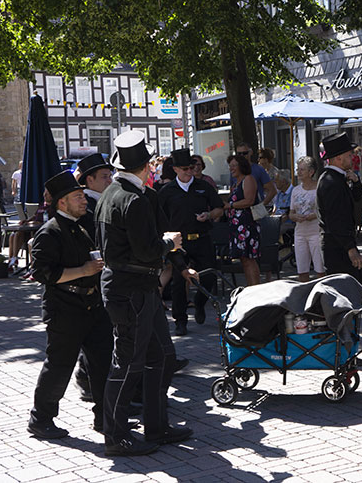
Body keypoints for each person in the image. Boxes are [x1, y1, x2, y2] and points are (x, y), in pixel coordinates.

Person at [95, 130, 193, 456]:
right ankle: (116, 435)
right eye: (150, 163)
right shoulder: (130, 199)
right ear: (147, 165)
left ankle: (156, 425)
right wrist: (170, 243)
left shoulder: (117, 193)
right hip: (132, 289)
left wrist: (174, 259)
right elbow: (147, 249)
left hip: (139, 288)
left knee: (160, 357)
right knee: (128, 364)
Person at [26, 171, 112, 439]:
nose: (84, 200)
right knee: (60, 365)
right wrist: (83, 270)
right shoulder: (49, 232)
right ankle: (41, 419)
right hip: (64, 308)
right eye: (77, 197)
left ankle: (106, 417)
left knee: (104, 363)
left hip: (93, 305)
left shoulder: (84, 223)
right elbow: (42, 273)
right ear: (62, 202)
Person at [158, 148, 224, 335]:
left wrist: (209, 214)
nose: (189, 171)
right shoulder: (167, 191)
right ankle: (180, 321)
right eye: (185, 168)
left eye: (192, 167)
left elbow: (219, 208)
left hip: (202, 238)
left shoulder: (203, 187)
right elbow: (159, 216)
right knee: (179, 281)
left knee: (209, 276)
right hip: (179, 243)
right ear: (176, 169)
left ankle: (200, 303)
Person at [317, 132, 362, 288]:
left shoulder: (337, 178)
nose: (352, 158)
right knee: (346, 294)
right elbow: (336, 219)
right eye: (349, 155)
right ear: (338, 158)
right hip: (337, 246)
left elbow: (355, 201)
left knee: (354, 290)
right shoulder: (331, 181)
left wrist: (357, 183)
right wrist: (350, 249)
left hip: (340, 243)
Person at [224, 154, 261, 287]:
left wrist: (230, 205)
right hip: (237, 226)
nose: (231, 168)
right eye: (230, 166)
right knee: (244, 259)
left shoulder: (248, 179)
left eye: (234, 165)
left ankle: (255, 288)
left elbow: (249, 200)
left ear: (241, 166)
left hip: (247, 225)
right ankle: (251, 288)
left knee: (249, 259)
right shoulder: (235, 184)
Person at [289, 156, 324, 282]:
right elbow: (291, 213)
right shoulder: (295, 190)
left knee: (320, 269)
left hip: (316, 232)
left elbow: (325, 210)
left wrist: (314, 215)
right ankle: (304, 296)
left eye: (302, 170)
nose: (298, 172)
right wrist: (295, 217)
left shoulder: (319, 188)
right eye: (298, 169)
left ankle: (322, 295)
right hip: (300, 233)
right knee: (302, 270)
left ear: (311, 172)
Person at [76, 153, 115, 242]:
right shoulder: (85, 206)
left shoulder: (109, 199)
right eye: (104, 177)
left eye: (110, 176)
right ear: (90, 179)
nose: (110, 181)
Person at [236, 142, 277, 206]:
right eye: (239, 154)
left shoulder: (259, 169)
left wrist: (261, 206)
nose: (241, 156)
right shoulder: (234, 170)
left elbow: (272, 190)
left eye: (245, 153)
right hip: (238, 208)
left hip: (255, 208)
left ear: (250, 152)